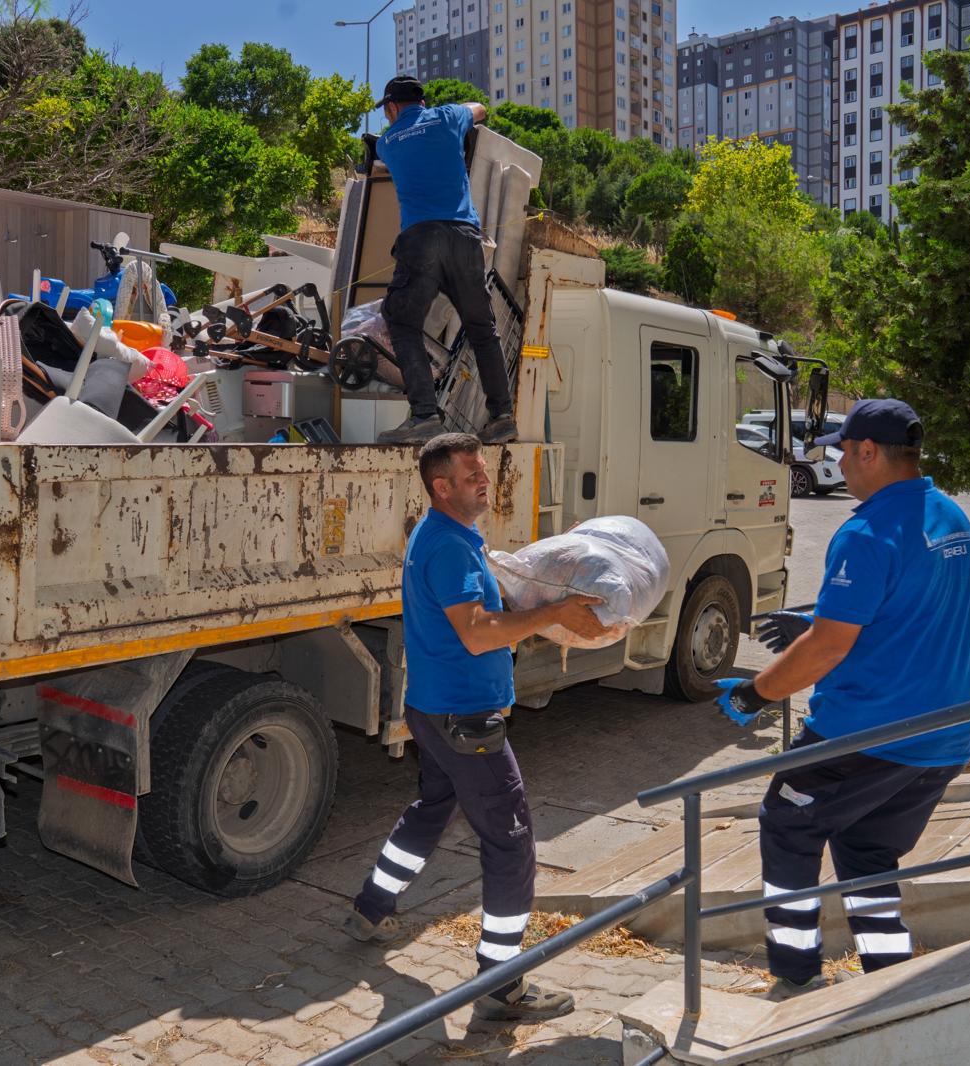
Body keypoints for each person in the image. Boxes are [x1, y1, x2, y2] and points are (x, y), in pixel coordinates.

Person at [712, 399, 970, 1000]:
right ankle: (890, 980)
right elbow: (907, 608)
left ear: (868, 452)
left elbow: (829, 649)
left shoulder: (864, 531)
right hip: (945, 737)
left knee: (785, 823)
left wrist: (756, 692)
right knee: (866, 850)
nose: (838, 462)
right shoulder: (952, 518)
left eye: (841, 450)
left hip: (866, 734)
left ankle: (796, 976)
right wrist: (812, 621)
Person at [344, 432, 608, 1021]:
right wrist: (552, 614)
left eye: (483, 471)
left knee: (432, 807)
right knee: (511, 844)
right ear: (442, 487)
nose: (485, 481)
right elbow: (477, 632)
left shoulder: (446, 535)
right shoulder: (449, 548)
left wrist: (536, 606)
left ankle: (370, 906)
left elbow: (483, 619)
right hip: (466, 718)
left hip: (435, 709)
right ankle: (501, 983)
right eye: (472, 475)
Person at [366, 77, 518, 446]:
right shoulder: (448, 117)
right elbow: (479, 110)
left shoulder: (387, 142)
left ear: (390, 108)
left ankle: (424, 416)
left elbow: (386, 159)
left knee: (401, 321)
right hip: (465, 239)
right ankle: (502, 417)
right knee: (482, 329)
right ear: (422, 101)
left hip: (421, 240)